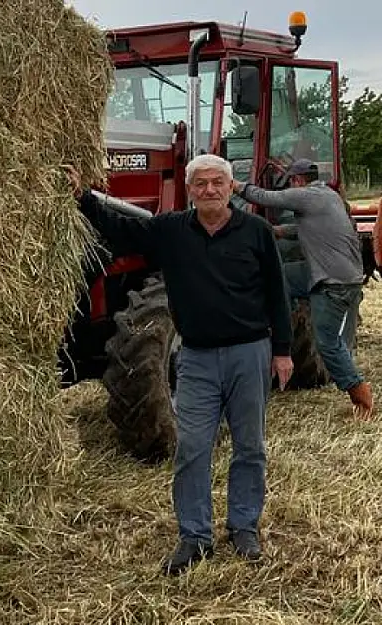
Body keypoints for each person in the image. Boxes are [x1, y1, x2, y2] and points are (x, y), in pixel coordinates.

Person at [63, 155, 294, 576]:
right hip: (197, 358)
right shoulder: (171, 231)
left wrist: (283, 351)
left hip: (249, 352)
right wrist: (83, 195)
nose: (209, 190)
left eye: (217, 182)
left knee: (250, 446)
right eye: (201, 183)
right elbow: (122, 230)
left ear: (230, 187)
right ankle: (194, 536)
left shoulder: (256, 232)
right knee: (192, 448)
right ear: (190, 191)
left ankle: (244, 527)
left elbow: (278, 294)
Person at [232, 159, 375, 420]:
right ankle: (280, 322)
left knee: (327, 344)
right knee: (281, 278)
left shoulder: (308, 196)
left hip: (333, 283)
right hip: (341, 275)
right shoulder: (327, 196)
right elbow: (305, 229)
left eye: (291, 182)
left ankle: (360, 394)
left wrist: (233, 185)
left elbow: (264, 197)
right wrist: (276, 231)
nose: (290, 185)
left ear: (297, 181)